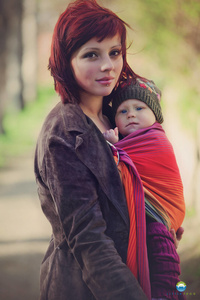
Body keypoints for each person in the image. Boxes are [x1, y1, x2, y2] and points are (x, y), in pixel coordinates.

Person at [34, 1, 150, 299]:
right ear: (65, 62)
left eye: (114, 52)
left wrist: (157, 222)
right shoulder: (63, 134)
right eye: (91, 55)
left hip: (132, 268)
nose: (108, 66)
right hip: (82, 286)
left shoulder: (116, 116)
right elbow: (89, 241)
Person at [103, 78, 186, 299]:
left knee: (163, 265)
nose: (131, 114)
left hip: (159, 219)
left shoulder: (157, 140)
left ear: (155, 115)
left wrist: (113, 149)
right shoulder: (128, 142)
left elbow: (122, 170)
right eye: (122, 111)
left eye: (139, 108)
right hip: (146, 219)